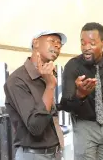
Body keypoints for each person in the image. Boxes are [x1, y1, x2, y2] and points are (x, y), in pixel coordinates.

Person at [58, 22, 103, 160]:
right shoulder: (72, 66)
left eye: (92, 43)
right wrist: (79, 95)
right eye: (83, 43)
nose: (86, 48)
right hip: (84, 124)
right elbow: (65, 105)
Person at [4, 31, 67, 160]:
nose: (57, 46)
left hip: (54, 153)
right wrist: (50, 86)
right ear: (35, 42)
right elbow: (36, 127)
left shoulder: (46, 76)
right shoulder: (17, 80)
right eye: (52, 40)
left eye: (60, 43)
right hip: (33, 155)